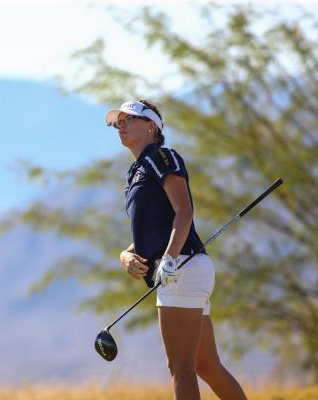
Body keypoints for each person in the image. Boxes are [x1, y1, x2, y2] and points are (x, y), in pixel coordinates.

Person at [106, 100, 248, 400]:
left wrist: (168, 260)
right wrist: (126, 255)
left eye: (129, 119)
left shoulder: (162, 156)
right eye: (118, 121)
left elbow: (184, 212)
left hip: (179, 268)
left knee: (180, 367)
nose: (121, 125)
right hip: (183, 269)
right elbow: (152, 231)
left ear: (151, 126)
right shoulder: (135, 172)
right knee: (205, 365)